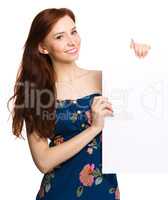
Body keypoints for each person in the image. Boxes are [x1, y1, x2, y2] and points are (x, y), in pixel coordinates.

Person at [8, 8, 150, 200]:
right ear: (43, 47)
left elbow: (145, 115)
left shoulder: (104, 79)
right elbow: (43, 161)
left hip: (103, 191)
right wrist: (94, 128)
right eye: (60, 37)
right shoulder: (36, 93)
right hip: (58, 191)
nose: (72, 41)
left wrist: (142, 60)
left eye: (74, 32)